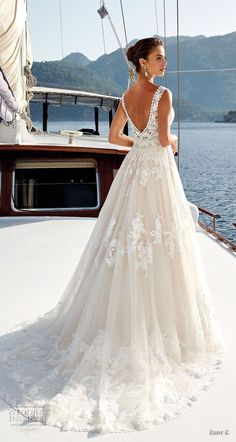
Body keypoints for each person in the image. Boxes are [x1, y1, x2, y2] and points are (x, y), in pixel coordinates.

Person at [0, 37, 224, 435]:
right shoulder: (164, 94)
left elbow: (114, 139)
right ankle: (166, 325)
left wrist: (139, 142)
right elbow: (161, 142)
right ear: (142, 62)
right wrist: (173, 141)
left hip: (135, 175)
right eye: (158, 58)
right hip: (158, 176)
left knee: (127, 243)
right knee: (162, 243)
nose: (164, 64)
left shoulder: (126, 95)